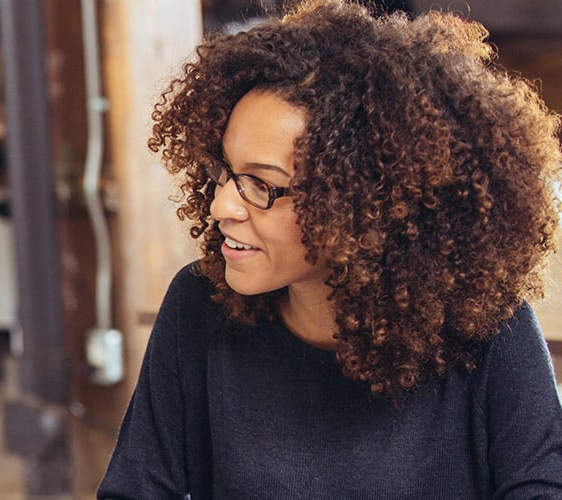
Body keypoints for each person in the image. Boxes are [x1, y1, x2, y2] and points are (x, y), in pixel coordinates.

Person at [98, 0, 562, 497]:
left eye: (262, 185)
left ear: (363, 203)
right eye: (227, 172)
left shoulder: (489, 329)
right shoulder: (198, 306)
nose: (221, 205)